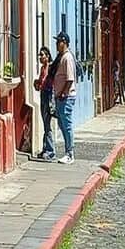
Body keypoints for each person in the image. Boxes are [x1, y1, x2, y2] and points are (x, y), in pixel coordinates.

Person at [52, 31, 78, 164]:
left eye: (59, 42)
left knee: (66, 125)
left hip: (66, 97)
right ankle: (68, 151)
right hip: (61, 97)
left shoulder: (67, 58)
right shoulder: (61, 57)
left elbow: (69, 79)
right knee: (62, 124)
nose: (57, 44)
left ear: (65, 43)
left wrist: (63, 93)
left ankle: (70, 153)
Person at [33, 45, 56, 161]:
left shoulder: (50, 68)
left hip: (48, 96)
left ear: (47, 56)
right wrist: (37, 83)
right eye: (39, 55)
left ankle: (50, 151)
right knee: (45, 124)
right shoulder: (42, 69)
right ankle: (45, 148)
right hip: (43, 95)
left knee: (47, 124)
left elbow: (51, 83)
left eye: (42, 55)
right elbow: (41, 83)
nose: (40, 57)